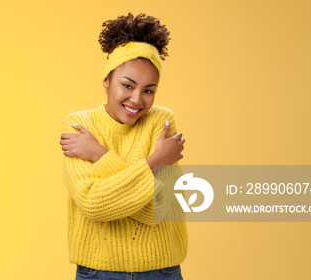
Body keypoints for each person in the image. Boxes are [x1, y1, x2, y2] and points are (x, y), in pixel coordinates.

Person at [59, 13, 187, 280]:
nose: (137, 99)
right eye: (127, 85)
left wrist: (99, 154)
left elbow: (160, 210)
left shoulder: (161, 122)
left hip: (161, 271)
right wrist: (154, 163)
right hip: (97, 272)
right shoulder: (79, 124)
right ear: (107, 80)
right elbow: (93, 205)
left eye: (149, 90)